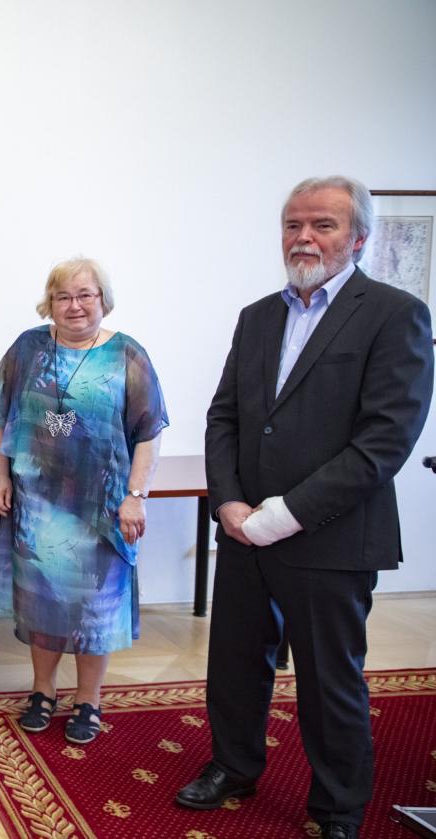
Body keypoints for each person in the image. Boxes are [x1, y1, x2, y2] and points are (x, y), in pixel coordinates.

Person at [176, 176, 434, 839]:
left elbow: (382, 443)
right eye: (293, 224)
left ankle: (338, 805)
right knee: (234, 663)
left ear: (359, 237)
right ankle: (233, 764)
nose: (304, 236)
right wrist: (230, 501)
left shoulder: (394, 315)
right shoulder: (258, 315)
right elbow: (225, 417)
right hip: (243, 533)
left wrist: (279, 515)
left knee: (329, 680)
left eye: (322, 224)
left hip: (331, 538)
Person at [0, 257, 167, 745]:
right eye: (64, 296)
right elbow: (1, 416)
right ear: (50, 302)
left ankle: (89, 699)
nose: (75, 305)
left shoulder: (127, 355)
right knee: (43, 601)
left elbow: (149, 434)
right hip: (37, 506)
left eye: (85, 295)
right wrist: (0, 475)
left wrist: (136, 496)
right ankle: (42, 691)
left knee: (95, 607)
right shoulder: (27, 348)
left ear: (103, 300)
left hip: (102, 507)